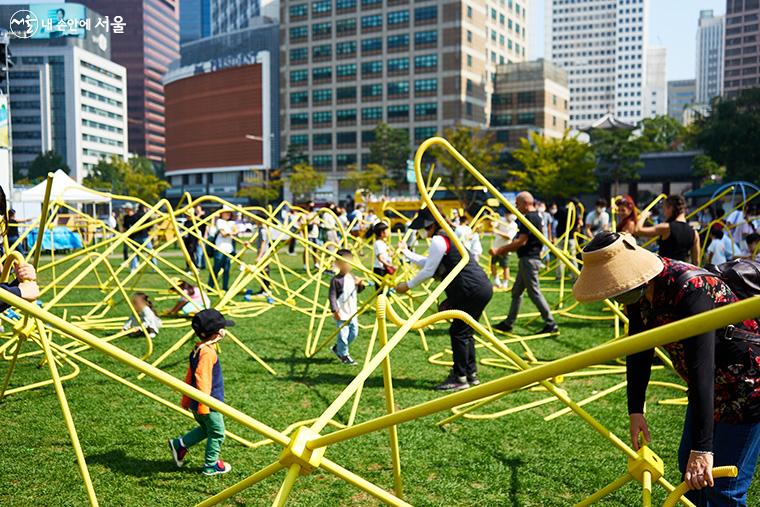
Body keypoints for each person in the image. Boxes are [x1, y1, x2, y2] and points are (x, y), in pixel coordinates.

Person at [573, 232, 760, 506]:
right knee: (690, 476)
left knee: (724, 489)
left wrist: (703, 448)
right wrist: (635, 408)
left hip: (746, 385)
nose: (616, 295)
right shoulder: (637, 293)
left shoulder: (691, 289)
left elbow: (702, 368)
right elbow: (638, 348)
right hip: (710, 388)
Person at [396, 208, 493, 390]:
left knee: (459, 332)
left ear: (431, 225)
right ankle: (470, 374)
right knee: (465, 332)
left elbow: (428, 271)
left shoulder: (439, 239)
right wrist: (406, 253)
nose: (422, 232)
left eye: (424, 228)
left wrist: (406, 285)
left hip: (470, 289)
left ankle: (460, 377)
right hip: (479, 287)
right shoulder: (446, 237)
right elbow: (429, 262)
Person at [168, 309, 234, 476]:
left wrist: (187, 400)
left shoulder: (198, 349)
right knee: (217, 433)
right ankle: (211, 465)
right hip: (207, 404)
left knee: (207, 429)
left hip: (197, 402)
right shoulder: (207, 352)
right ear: (219, 333)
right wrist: (205, 405)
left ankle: (179, 445)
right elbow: (202, 378)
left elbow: (189, 375)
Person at [491, 192, 558, 335]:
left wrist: (499, 250)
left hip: (529, 260)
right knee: (516, 292)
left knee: (534, 292)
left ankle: (550, 323)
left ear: (526, 203)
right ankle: (508, 323)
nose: (516, 206)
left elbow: (522, 241)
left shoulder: (530, 217)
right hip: (527, 259)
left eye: (517, 203)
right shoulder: (535, 216)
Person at [636, 195, 700, 263]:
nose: (664, 213)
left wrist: (643, 216)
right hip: (682, 272)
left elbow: (638, 230)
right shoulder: (694, 233)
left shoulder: (666, 227)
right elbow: (696, 261)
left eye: (664, 209)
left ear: (670, 208)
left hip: (666, 270)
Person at [329, 249, 366, 365]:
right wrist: (335, 310)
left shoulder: (352, 277)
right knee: (343, 335)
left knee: (354, 333)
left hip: (352, 312)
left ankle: (337, 348)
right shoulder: (336, 280)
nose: (347, 266)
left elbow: (359, 291)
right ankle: (344, 355)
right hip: (342, 313)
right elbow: (332, 296)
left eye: (350, 263)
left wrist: (360, 284)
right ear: (338, 264)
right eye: (345, 263)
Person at [208, 206, 237, 291]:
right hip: (220, 248)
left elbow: (236, 230)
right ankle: (210, 286)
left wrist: (231, 232)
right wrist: (231, 233)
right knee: (216, 268)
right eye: (226, 212)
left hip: (229, 249)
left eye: (229, 212)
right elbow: (223, 233)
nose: (228, 214)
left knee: (227, 270)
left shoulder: (231, 222)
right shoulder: (220, 221)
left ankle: (225, 287)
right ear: (222, 213)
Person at [491, 212, 518, 289]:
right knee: (493, 264)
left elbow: (509, 237)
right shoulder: (501, 219)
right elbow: (494, 225)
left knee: (505, 266)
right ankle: (496, 281)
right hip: (496, 246)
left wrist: (497, 232)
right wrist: (492, 223)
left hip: (505, 248)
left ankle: (505, 282)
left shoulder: (514, 225)